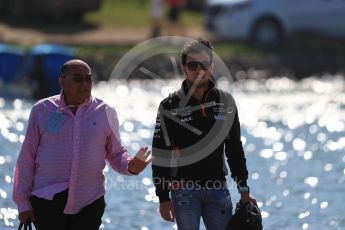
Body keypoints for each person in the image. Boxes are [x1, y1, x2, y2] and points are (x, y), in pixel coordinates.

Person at [13, 59, 151, 230]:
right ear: (62, 81)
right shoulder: (41, 110)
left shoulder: (105, 112)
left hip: (89, 200)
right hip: (47, 200)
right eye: (78, 79)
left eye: (88, 79)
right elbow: (26, 158)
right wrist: (23, 204)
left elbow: (115, 153)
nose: (85, 84)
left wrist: (131, 166)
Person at [152, 38, 256, 229]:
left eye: (204, 64)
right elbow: (160, 154)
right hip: (184, 191)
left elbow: (234, 149)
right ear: (184, 68)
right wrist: (163, 197)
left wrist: (244, 189)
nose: (199, 70)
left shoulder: (226, 102)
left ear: (212, 67)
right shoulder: (169, 106)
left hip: (218, 190)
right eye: (193, 65)